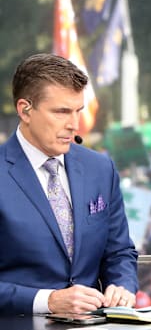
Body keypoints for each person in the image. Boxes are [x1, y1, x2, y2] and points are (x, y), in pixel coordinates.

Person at [0, 53, 138, 315]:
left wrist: (121, 286)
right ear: (24, 110)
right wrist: (47, 301)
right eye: (62, 111)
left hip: (95, 329)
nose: (74, 125)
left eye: (78, 111)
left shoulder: (100, 169)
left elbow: (120, 252)